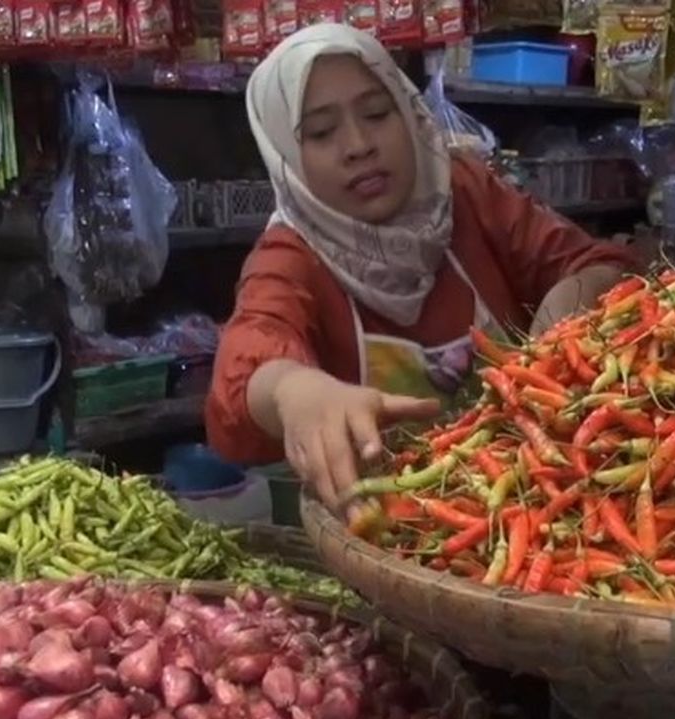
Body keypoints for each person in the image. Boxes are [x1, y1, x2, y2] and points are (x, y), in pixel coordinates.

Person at [205, 23, 639, 508]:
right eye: (322, 132)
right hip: (389, 538)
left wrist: (566, 314)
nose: (358, 145)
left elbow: (603, 264)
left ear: (409, 111)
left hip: (535, 507)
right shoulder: (291, 254)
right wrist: (295, 393)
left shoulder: (465, 194)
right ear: (287, 158)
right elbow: (245, 364)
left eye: (376, 113)